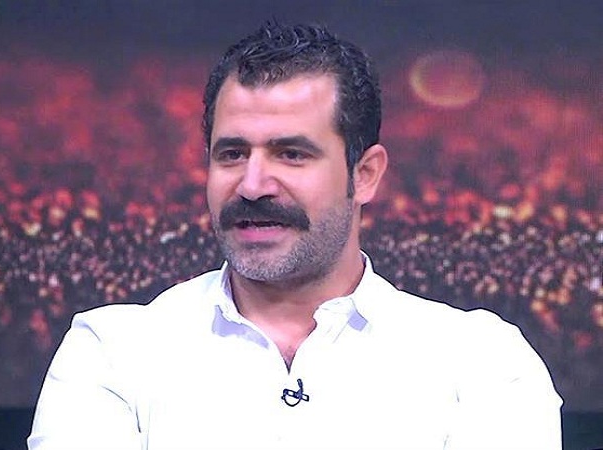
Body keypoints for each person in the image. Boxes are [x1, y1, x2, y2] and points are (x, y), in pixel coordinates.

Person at [28, 21, 562, 449]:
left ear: (365, 175)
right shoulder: (111, 353)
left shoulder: (484, 364)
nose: (253, 185)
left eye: (291, 154)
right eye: (232, 154)